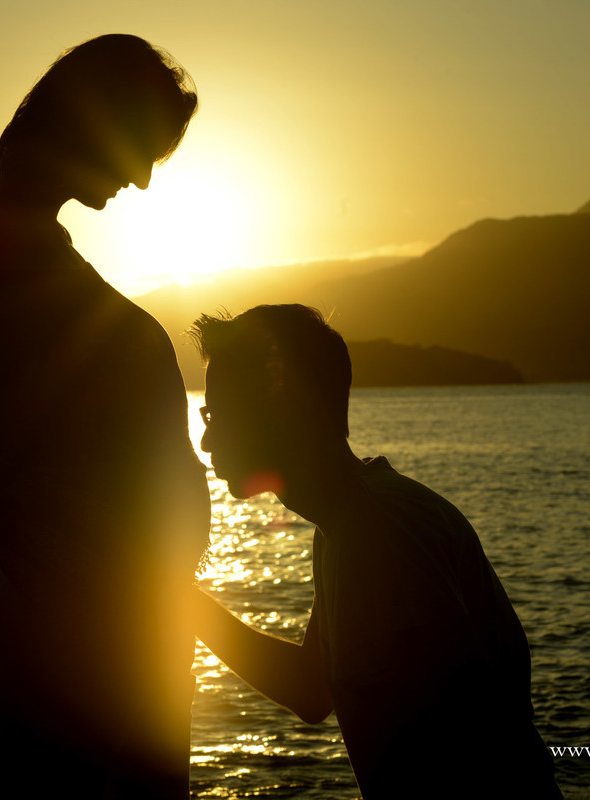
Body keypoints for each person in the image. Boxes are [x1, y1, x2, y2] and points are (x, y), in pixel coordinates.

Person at [0, 34, 209, 799]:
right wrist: (78, 599)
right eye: (142, 150)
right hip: (87, 634)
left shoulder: (33, 241)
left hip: (118, 623)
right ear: (94, 124)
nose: (143, 179)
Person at [188, 304, 562, 798]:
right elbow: (310, 689)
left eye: (218, 414)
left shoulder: (381, 528)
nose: (207, 440)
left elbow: (457, 735)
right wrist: (183, 603)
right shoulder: (345, 523)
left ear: (281, 406)